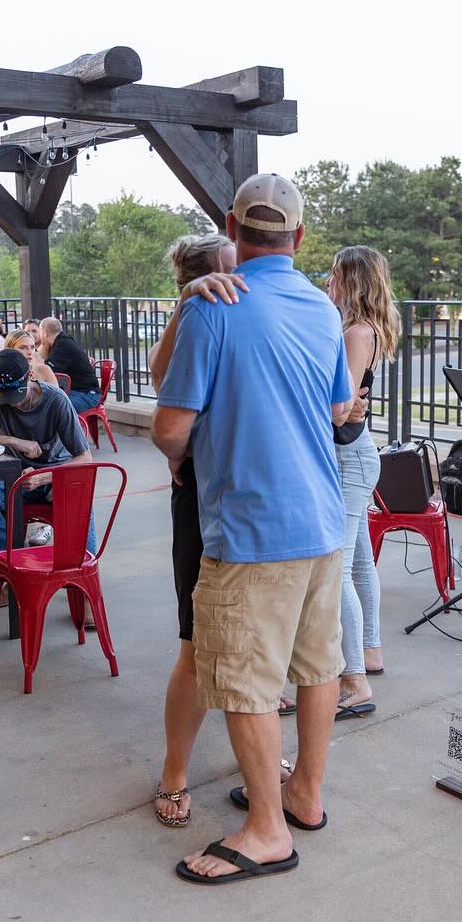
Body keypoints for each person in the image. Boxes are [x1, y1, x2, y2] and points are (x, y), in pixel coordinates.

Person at [152, 173, 354, 883]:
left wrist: (194, 453)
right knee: (317, 666)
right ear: (298, 237)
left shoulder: (214, 306)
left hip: (249, 526)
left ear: (232, 227)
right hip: (324, 521)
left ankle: (267, 829)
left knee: (241, 679)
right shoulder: (326, 309)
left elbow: (170, 428)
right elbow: (337, 408)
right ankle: (304, 795)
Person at [148, 232, 242, 828]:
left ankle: (255, 761)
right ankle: (175, 774)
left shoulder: (245, 310)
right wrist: (186, 306)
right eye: (235, 266)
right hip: (203, 501)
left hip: (245, 499)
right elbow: (164, 392)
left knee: (250, 647)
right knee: (196, 643)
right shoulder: (202, 311)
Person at [0, 349, 95, 609]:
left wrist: (41, 478)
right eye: (4, 397)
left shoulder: (56, 400)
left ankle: (83, 588)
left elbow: (85, 459)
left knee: (80, 505)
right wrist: (13, 440)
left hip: (57, 474)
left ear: (29, 376)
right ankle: (16, 569)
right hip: (13, 474)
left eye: (18, 394)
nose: (13, 403)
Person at [325, 246, 400, 714]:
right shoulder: (363, 329)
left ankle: (354, 682)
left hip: (349, 458)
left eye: (334, 277)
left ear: (351, 281)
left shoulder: (355, 332)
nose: (328, 284)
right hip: (359, 453)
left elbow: (341, 406)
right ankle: (369, 650)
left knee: (338, 571)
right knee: (357, 564)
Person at [37, 317, 101, 413]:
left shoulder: (62, 345)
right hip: (82, 392)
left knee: (48, 406)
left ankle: (65, 428)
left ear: (45, 333)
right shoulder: (63, 341)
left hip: (87, 396)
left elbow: (47, 372)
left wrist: (39, 352)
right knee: (46, 401)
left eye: (39, 332)